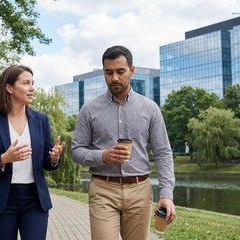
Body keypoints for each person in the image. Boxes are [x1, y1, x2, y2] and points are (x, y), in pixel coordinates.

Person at [71, 45, 176, 240]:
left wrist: (166, 194)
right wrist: (103, 155)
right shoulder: (89, 109)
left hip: (140, 190)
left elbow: (162, 153)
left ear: (132, 70)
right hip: (103, 190)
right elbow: (76, 151)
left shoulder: (150, 108)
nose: (114, 78)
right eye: (108, 72)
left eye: (120, 71)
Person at [0, 64, 65, 240]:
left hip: (35, 200)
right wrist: (3, 159)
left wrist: (53, 158)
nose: (32, 88)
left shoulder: (41, 119)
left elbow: (47, 163)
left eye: (33, 83)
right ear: (9, 88)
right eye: (26, 83)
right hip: (2, 200)